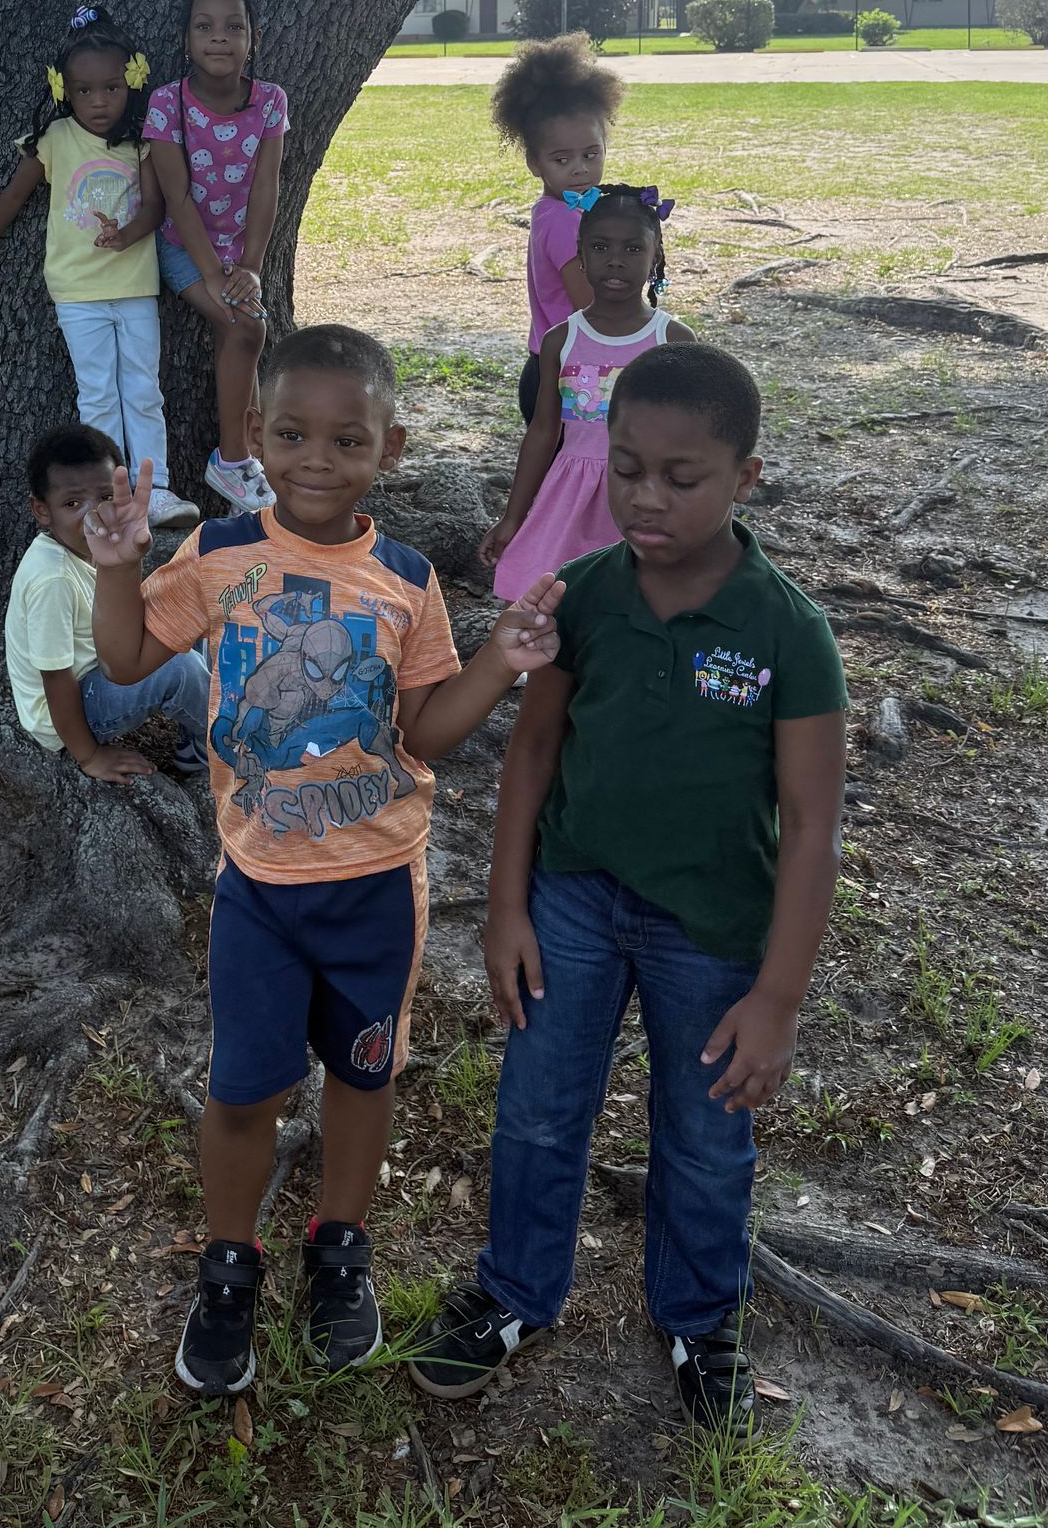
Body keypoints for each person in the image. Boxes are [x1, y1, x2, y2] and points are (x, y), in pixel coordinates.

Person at [85, 324, 566, 1397]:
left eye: (346, 439)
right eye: (292, 432)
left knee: (364, 1073)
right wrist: (116, 568)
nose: (316, 457)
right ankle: (228, 1265)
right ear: (254, 432)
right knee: (242, 1089)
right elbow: (124, 658)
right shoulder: (217, 556)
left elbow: (427, 732)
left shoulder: (405, 578)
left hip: (376, 890)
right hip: (258, 890)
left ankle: (339, 1247)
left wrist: (499, 660)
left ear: (389, 448)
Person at [410, 343, 848, 1425]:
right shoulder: (587, 596)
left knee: (704, 1140)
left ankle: (702, 1321)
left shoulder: (789, 633)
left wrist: (778, 998)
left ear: (746, 477)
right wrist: (507, 906)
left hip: (712, 930)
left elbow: (812, 829)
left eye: (681, 476)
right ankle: (514, 1292)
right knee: (539, 1110)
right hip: (573, 903)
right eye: (626, 469)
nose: (646, 498)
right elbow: (531, 752)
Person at [0, 4, 199, 532]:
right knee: (98, 394)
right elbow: (10, 200)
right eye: (84, 91)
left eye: (111, 87)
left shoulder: (142, 141)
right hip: (77, 293)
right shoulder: (55, 140)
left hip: (133, 286)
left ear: (131, 81)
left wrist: (125, 234)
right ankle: (107, 497)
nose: (99, 101)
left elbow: (156, 208)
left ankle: (155, 491)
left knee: (144, 389)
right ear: (64, 90)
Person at [482, 186, 692, 603]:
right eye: (600, 246)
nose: (615, 259)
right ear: (580, 254)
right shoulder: (562, 339)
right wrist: (512, 517)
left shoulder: (673, 340)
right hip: (570, 499)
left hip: (641, 498)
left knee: (634, 599)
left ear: (656, 256)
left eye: (633, 248)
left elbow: (691, 441)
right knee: (556, 603)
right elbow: (543, 432)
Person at [142, 0, 286, 514]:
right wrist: (212, 273)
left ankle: (243, 471)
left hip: (237, 255)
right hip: (183, 248)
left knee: (243, 329)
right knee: (246, 325)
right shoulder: (168, 102)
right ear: (185, 40)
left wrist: (249, 265)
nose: (219, 38)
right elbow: (176, 198)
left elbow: (267, 187)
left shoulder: (270, 101)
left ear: (253, 38)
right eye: (204, 26)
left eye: (234, 27)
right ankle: (232, 462)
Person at [5, 424, 209, 781]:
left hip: (102, 665)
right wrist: (90, 755)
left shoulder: (88, 549)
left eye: (104, 497)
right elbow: (56, 680)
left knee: (190, 620)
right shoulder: (52, 579)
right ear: (41, 510)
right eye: (73, 503)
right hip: (72, 713)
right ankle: (230, 744)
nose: (92, 514)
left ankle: (198, 739)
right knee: (180, 667)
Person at [488, 34, 626, 426]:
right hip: (566, 376)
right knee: (572, 474)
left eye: (591, 154)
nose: (579, 168)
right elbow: (589, 302)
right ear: (535, 162)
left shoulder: (566, 208)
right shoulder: (564, 219)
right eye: (561, 158)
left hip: (563, 366)